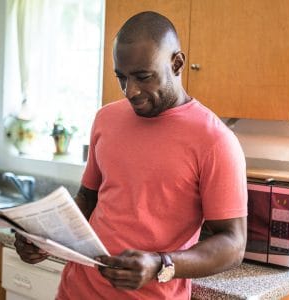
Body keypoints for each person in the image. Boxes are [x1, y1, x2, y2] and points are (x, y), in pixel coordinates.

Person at [13, 11, 248, 299]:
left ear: (177, 63)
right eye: (121, 77)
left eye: (143, 77)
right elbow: (88, 199)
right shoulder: (106, 119)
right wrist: (43, 240)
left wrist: (160, 264)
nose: (130, 91)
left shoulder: (215, 141)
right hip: (76, 291)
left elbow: (233, 244)